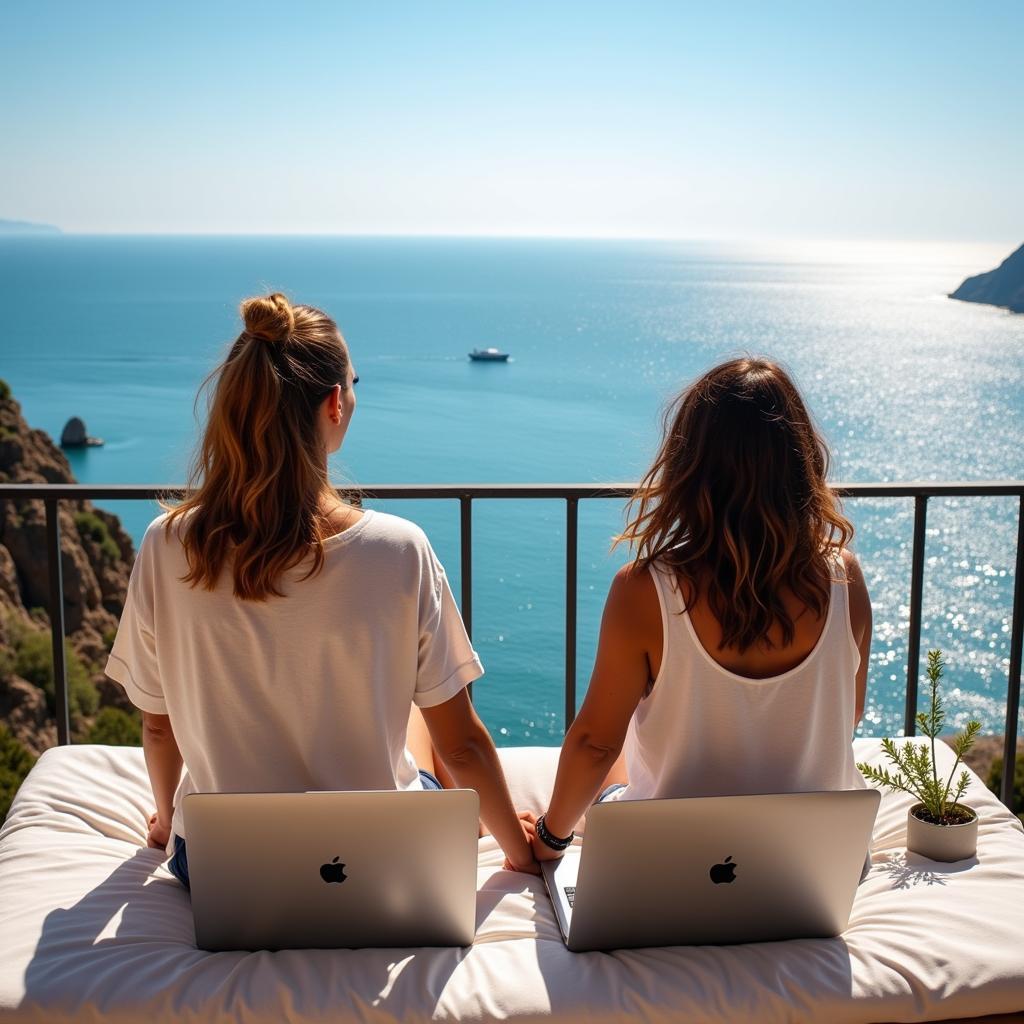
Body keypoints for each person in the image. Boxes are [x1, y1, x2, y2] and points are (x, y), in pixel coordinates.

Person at [105, 292, 536, 885]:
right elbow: (460, 743)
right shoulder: (399, 550)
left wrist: (166, 825)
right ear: (335, 402)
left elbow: (158, 723)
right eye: (354, 383)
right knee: (419, 717)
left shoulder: (167, 544)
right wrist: (519, 851)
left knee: (406, 715)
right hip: (377, 857)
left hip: (223, 861)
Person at [528, 357, 871, 860]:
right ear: (801, 464)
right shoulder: (844, 578)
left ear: (689, 466)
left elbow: (596, 743)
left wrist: (550, 838)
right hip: (816, 864)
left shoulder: (647, 590)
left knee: (619, 773)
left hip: (676, 864)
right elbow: (851, 711)